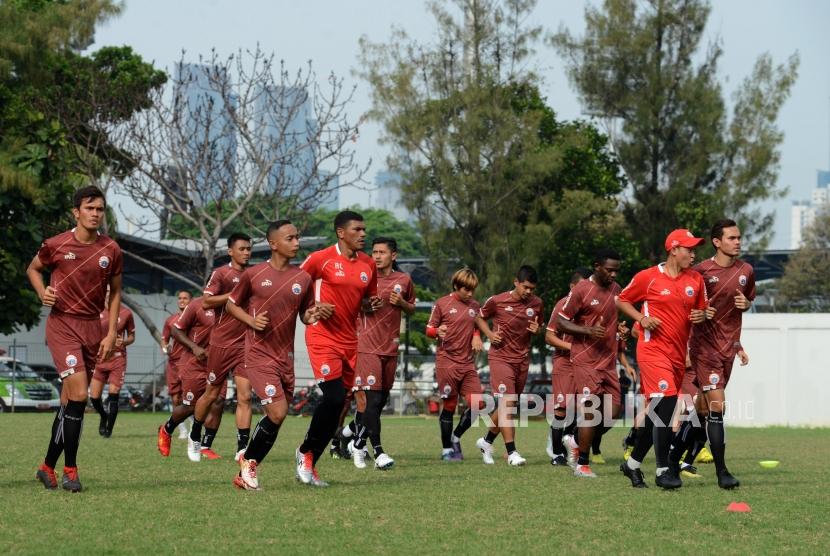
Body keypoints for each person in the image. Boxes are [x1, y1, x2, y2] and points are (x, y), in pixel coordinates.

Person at [27, 186, 123, 492]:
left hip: (93, 329)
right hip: (63, 326)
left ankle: (46, 468)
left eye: (100, 209)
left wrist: (110, 334)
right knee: (80, 395)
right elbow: (32, 268)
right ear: (76, 212)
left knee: (69, 403)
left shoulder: (111, 250)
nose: (95, 213)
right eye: (89, 208)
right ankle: (71, 470)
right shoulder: (56, 245)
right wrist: (43, 291)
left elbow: (117, 292)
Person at [224, 220, 318, 490]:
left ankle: (247, 468)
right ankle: (249, 463)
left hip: (285, 357)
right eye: (290, 238)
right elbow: (231, 305)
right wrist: (251, 322)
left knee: (278, 415)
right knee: (277, 412)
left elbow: (306, 314)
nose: (297, 242)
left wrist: (314, 315)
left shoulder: (303, 278)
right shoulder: (253, 275)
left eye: (297, 237)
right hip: (257, 354)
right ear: (273, 243)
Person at [617, 229, 708, 489]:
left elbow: (702, 311)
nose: (693, 253)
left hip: (678, 356)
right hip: (652, 350)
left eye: (694, 249)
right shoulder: (648, 277)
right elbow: (622, 300)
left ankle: (632, 465)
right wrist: (641, 318)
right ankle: (663, 470)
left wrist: (703, 315)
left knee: (659, 412)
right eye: (689, 249)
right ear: (673, 249)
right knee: (666, 404)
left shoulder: (696, 280)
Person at [295, 210, 380, 486]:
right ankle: (305, 452)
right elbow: (294, 287)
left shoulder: (368, 265)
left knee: (339, 405)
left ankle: (310, 458)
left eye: (364, 230)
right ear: (341, 233)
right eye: (357, 230)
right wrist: (312, 308)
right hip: (322, 337)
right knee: (332, 398)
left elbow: (364, 300)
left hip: (349, 341)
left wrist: (370, 305)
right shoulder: (321, 259)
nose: (363, 234)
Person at [668, 219, 755, 489]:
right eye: (731, 238)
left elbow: (748, 299)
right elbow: (683, 305)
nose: (737, 242)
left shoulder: (747, 270)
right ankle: (722, 473)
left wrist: (748, 303)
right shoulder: (700, 272)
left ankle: (671, 463)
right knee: (718, 406)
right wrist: (696, 318)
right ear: (717, 242)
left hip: (728, 349)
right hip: (704, 349)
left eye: (739, 237)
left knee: (703, 411)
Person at [343, 237, 415, 470]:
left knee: (379, 403)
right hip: (366, 347)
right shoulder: (363, 276)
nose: (376, 256)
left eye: (382, 252)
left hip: (390, 350)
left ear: (393, 255)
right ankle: (379, 452)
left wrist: (402, 302)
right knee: (371, 401)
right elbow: (346, 304)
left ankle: (356, 441)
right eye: (374, 252)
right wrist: (362, 305)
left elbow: (412, 308)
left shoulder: (403, 280)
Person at [556, 248, 623, 478]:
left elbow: (616, 317)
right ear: (597, 266)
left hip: (608, 361)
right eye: (610, 270)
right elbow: (561, 323)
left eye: (617, 270)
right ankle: (582, 465)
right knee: (590, 412)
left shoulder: (617, 290)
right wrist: (587, 330)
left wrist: (621, 330)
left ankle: (574, 439)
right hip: (585, 359)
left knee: (613, 412)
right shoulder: (582, 290)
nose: (614, 275)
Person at [188, 233, 252, 462]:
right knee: (212, 394)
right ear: (230, 251)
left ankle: (242, 449)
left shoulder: (253, 275)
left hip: (246, 344)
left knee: (245, 396)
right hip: (221, 343)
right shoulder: (221, 273)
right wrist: (234, 295)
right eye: (242, 248)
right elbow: (206, 301)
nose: (246, 252)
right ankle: (195, 435)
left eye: (249, 249)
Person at [474, 265, 544, 466]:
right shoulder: (497, 300)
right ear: (516, 282)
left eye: (532, 288)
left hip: (522, 360)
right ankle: (512, 452)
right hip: (500, 358)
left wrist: (537, 329)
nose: (528, 292)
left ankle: (486, 442)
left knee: (508, 405)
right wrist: (488, 334)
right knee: (508, 403)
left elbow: (540, 324)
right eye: (525, 287)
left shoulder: (537, 303)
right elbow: (478, 317)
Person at [426, 268, 484, 461]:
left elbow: (477, 325)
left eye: (472, 290)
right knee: (449, 405)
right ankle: (446, 450)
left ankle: (455, 437)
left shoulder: (474, 305)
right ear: (456, 287)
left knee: (478, 404)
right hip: (447, 362)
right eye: (466, 290)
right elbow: (429, 329)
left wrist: (476, 336)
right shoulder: (442, 303)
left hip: (467, 364)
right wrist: (437, 331)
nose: (470, 294)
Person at [156, 296, 215, 458]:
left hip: (216, 363)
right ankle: (167, 429)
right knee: (189, 405)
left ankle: (202, 444)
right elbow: (174, 331)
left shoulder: (231, 308)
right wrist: (194, 347)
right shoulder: (196, 306)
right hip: (193, 363)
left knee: (217, 402)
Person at [545, 270, 587, 466]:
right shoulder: (563, 305)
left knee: (585, 407)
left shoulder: (591, 307)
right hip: (564, 362)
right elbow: (549, 336)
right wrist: (573, 347)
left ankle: (570, 443)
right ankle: (556, 453)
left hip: (585, 363)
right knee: (562, 407)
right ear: (572, 288)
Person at [89, 297, 135, 437]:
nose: (107, 295)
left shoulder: (126, 313)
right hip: (100, 358)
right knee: (94, 397)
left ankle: (108, 430)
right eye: (106, 292)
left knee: (113, 393)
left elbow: (132, 336)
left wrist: (124, 342)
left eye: (110, 292)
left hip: (118, 359)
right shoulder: (97, 311)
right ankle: (103, 416)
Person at [161, 290, 193, 439]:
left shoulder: (194, 318)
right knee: (175, 399)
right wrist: (164, 348)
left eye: (185, 298)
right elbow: (164, 340)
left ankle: (194, 425)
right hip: (174, 363)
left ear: (190, 300)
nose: (182, 300)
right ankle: (182, 429)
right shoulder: (170, 320)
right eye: (179, 298)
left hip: (190, 362)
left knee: (191, 397)